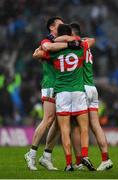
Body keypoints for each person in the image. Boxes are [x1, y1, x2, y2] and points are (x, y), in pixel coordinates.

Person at [36, 24, 96, 171]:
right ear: (70, 34)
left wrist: (55, 42)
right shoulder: (81, 47)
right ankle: (85, 156)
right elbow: (91, 41)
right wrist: (72, 40)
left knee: (64, 129)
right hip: (78, 92)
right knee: (83, 127)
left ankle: (69, 164)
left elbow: (38, 54)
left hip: (62, 93)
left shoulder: (54, 52)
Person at [54, 22, 113, 171]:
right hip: (93, 87)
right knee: (95, 124)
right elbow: (92, 39)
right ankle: (105, 158)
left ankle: (79, 161)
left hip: (82, 87)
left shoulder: (71, 47)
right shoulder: (85, 45)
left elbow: (53, 44)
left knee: (74, 126)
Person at [24, 16, 68, 171]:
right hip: (50, 84)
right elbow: (43, 50)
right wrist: (39, 53)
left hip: (63, 85)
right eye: (60, 25)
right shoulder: (47, 41)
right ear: (51, 27)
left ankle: (46, 156)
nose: (63, 27)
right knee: (48, 119)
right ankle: (31, 154)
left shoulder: (63, 41)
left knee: (58, 123)